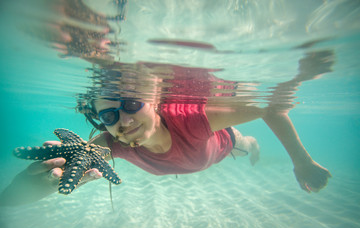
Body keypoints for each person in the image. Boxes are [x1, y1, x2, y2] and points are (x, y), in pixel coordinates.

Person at [0, 49, 333, 206]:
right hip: (190, 162)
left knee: (242, 141)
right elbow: (72, 164)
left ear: (154, 100)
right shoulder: (107, 145)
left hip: (223, 145)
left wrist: (301, 160)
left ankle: (250, 145)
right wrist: (35, 185)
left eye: (131, 104)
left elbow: (271, 107)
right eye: (110, 116)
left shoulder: (190, 118)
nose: (124, 122)